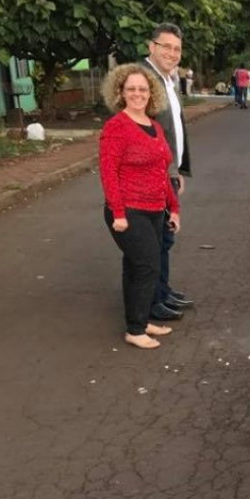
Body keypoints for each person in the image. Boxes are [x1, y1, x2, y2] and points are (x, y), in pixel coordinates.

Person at [99, 64, 179, 350]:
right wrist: (118, 213)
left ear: (151, 93)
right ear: (120, 92)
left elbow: (162, 170)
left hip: (155, 208)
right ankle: (135, 329)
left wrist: (175, 208)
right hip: (128, 210)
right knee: (147, 266)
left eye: (142, 89)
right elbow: (108, 172)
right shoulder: (116, 127)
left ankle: (141, 320)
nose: (137, 94)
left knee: (135, 266)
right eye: (131, 88)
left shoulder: (154, 125)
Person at [140, 23, 194, 321]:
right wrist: (163, 172)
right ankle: (151, 301)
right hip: (151, 174)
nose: (172, 53)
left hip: (166, 171)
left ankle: (163, 291)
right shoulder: (143, 79)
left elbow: (172, 128)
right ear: (152, 46)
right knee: (155, 239)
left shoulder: (166, 79)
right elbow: (140, 129)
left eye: (177, 48)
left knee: (165, 235)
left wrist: (177, 170)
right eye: (166, 46)